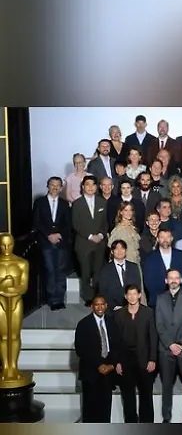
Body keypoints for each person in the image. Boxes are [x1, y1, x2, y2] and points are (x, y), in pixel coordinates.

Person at [155, 269, 182, 423]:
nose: (173, 280)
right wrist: (170, 344)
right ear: (166, 281)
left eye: (176, 278)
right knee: (166, 386)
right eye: (170, 278)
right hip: (165, 350)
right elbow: (159, 324)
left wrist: (180, 343)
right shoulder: (160, 298)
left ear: (181, 280)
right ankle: (166, 418)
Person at [112, 284, 158, 423]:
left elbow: (153, 337)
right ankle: (131, 425)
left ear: (139, 295)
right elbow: (115, 340)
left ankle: (147, 425)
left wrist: (152, 359)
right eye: (129, 294)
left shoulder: (148, 313)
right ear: (125, 296)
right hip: (125, 360)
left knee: (146, 395)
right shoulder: (119, 314)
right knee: (128, 396)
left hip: (144, 359)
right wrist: (117, 362)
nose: (132, 297)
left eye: (134, 294)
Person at [74, 296, 119, 422]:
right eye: (96, 304)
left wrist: (112, 365)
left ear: (106, 306)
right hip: (91, 372)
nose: (100, 307)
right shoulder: (83, 324)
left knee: (105, 408)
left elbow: (117, 345)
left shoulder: (112, 322)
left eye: (102, 304)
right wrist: (99, 365)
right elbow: (81, 349)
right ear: (92, 306)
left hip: (108, 372)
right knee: (90, 409)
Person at [34, 176, 73, 310]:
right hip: (45, 242)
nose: (55, 187)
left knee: (61, 270)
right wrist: (48, 235)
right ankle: (52, 299)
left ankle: (59, 298)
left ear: (61, 188)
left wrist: (59, 235)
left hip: (61, 242)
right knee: (50, 269)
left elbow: (68, 223)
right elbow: (36, 222)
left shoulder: (65, 204)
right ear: (48, 186)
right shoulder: (39, 203)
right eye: (52, 185)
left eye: (58, 185)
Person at [72, 175, 109, 305]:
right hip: (84, 243)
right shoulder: (77, 204)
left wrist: (101, 235)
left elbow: (105, 223)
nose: (90, 187)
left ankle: (97, 297)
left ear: (96, 187)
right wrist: (90, 236)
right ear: (83, 187)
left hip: (100, 243)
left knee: (98, 271)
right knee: (86, 272)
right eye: (87, 184)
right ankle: (88, 297)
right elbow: (75, 224)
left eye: (93, 184)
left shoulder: (102, 202)